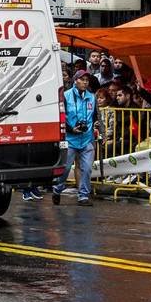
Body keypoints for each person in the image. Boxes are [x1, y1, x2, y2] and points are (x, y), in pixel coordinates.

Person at [53, 69, 97, 207]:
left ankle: (83, 196)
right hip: (70, 139)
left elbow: (97, 116)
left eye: (87, 80)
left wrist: (99, 131)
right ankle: (57, 189)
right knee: (65, 169)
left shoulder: (92, 97)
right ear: (75, 81)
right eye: (82, 80)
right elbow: (60, 116)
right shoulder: (65, 96)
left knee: (87, 168)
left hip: (87, 139)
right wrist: (71, 129)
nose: (85, 82)